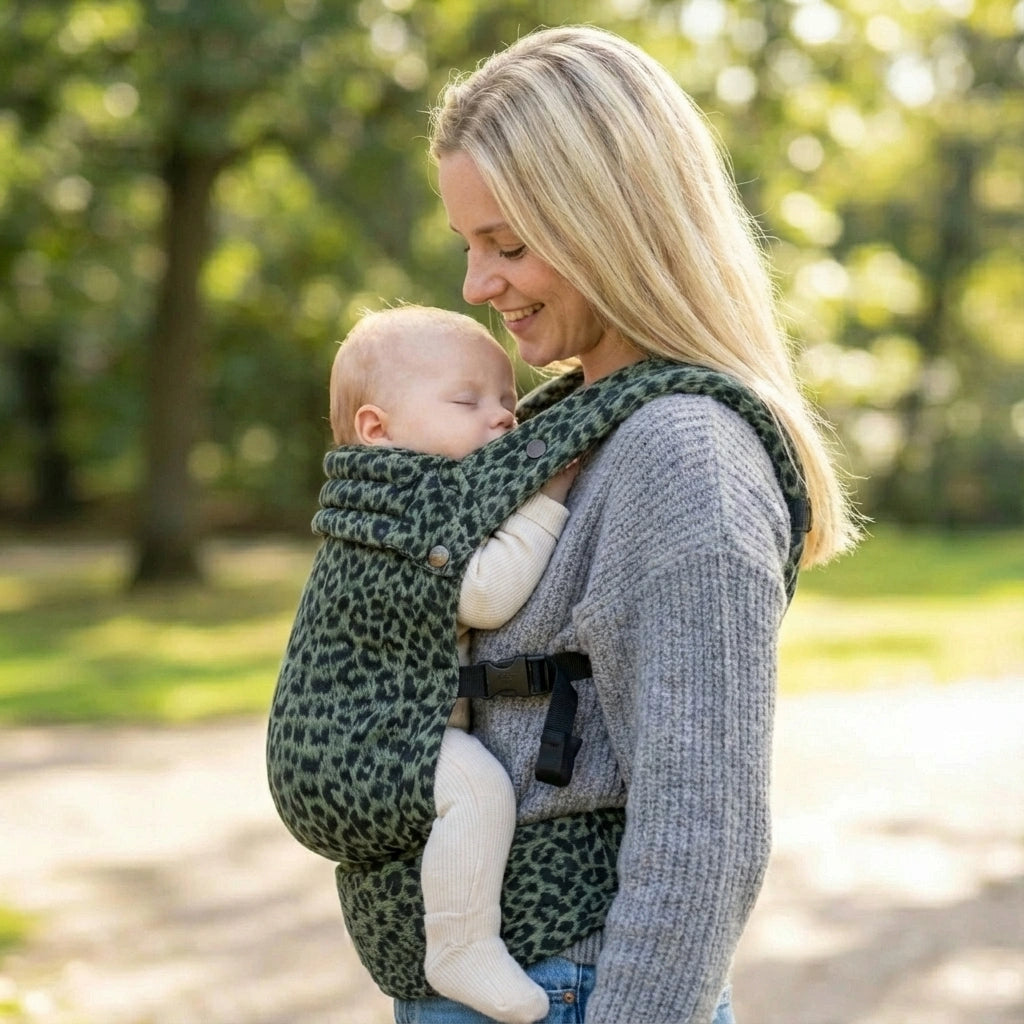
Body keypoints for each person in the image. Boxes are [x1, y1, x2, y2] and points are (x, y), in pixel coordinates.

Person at [384, 24, 861, 1024]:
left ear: (611, 222)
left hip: (580, 991)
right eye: (468, 245)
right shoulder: (565, 423)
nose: (475, 286)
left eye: (507, 245)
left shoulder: (682, 457)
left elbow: (702, 842)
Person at [329, 303, 577, 1024]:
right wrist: (547, 498)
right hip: (363, 741)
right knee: (476, 788)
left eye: (506, 399)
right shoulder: (390, 515)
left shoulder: (416, 499)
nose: (502, 418)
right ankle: (460, 946)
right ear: (379, 431)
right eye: (468, 401)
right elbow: (487, 594)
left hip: (388, 731)